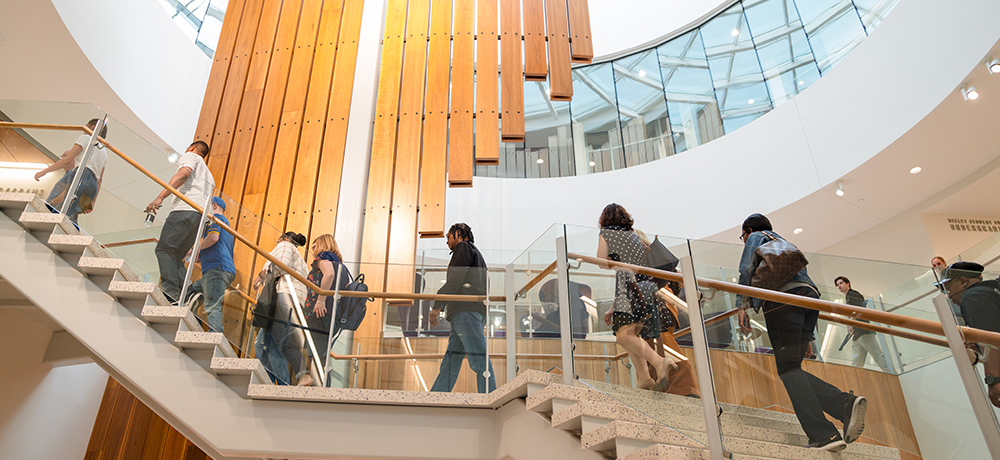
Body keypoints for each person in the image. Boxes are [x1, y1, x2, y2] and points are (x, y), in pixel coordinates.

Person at [736, 213, 866, 452]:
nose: (744, 240)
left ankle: (827, 429)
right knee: (792, 368)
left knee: (787, 370)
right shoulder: (784, 242)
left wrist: (741, 304)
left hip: (782, 301)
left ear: (749, 229)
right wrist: (809, 338)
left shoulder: (756, 236)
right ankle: (841, 407)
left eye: (742, 236)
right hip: (809, 300)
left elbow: (746, 268)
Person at [597, 204, 677, 391]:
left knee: (623, 336)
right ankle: (644, 378)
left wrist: (610, 262)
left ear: (604, 220)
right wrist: (613, 307)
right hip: (646, 287)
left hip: (629, 287)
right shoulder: (634, 235)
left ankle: (659, 362)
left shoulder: (607, 233)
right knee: (630, 333)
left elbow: (600, 261)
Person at [429, 223, 496, 393]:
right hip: (470, 312)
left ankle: (490, 395)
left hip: (465, 312)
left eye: (448, 237)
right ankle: (437, 395)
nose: (447, 242)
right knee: (451, 360)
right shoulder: (477, 256)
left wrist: (437, 306)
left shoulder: (463, 247)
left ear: (458, 234)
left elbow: (456, 279)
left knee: (478, 358)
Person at [145, 141, 215, 303]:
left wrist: (160, 197)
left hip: (185, 209)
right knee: (175, 256)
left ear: (191, 148)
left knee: (163, 249)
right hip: (201, 218)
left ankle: (170, 294)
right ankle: (190, 291)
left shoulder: (191, 156)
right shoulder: (209, 176)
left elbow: (183, 174)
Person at [939, 262, 1000, 408]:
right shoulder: (991, 290)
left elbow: (989, 339)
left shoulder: (972, 296)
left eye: (949, 289)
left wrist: (993, 380)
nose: (949, 296)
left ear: (963, 281)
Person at [253, 232, 310, 385]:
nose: (276, 242)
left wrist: (263, 276)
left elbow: (282, 264)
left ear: (284, 238)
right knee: (261, 344)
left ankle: (282, 385)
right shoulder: (301, 261)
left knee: (271, 344)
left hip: (283, 297)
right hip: (292, 300)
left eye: (277, 239)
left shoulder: (285, 245)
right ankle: (272, 383)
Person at [33, 118, 108, 223]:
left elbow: (67, 160)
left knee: (65, 213)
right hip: (92, 187)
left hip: (82, 176)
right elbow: (100, 180)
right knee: (72, 215)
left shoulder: (86, 138)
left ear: (92, 128)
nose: (83, 129)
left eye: (86, 126)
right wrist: (93, 201)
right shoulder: (104, 152)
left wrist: (44, 171)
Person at [301, 234, 350, 386]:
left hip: (320, 313)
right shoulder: (343, 267)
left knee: (295, 347)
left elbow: (329, 274)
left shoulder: (322, 258)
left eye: (314, 245)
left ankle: (315, 386)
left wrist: (320, 301)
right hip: (334, 317)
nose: (313, 249)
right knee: (321, 357)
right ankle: (322, 390)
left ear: (322, 244)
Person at [183, 197, 235, 334]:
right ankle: (195, 327)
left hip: (217, 269)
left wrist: (193, 249)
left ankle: (215, 340)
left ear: (214, 205)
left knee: (212, 305)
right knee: (191, 293)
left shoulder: (215, 218)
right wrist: (196, 256)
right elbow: (216, 248)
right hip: (218, 269)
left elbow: (213, 238)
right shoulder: (227, 227)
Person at [834, 276, 889, 372]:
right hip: (857, 334)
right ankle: (855, 379)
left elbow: (857, 310)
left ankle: (891, 372)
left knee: (877, 356)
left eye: (841, 283)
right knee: (856, 361)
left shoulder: (853, 294)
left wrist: (850, 323)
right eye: (837, 285)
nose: (839, 286)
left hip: (864, 331)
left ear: (848, 284)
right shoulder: (847, 297)